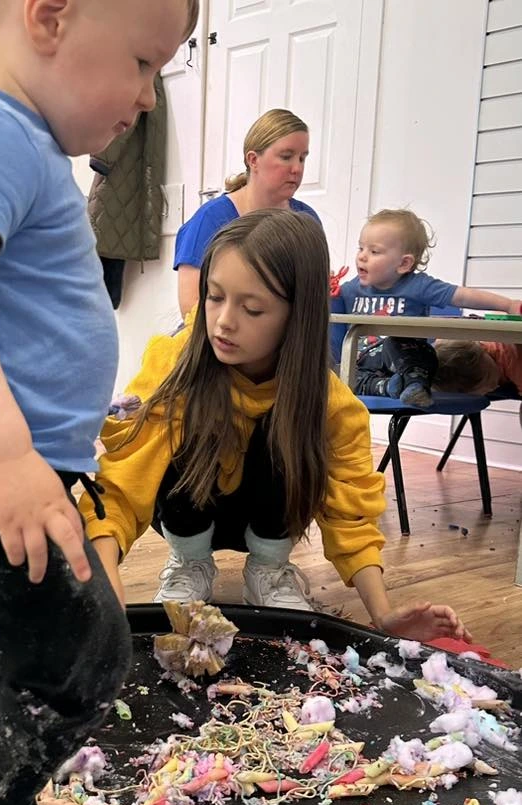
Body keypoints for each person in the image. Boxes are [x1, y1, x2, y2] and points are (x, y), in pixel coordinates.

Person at [0, 1, 199, 805]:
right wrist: (7, 457)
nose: (150, 96)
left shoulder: (23, 141)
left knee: (16, 656)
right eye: (142, 63)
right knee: (86, 653)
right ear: (50, 18)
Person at [81, 209, 471, 645]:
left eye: (252, 308)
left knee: (289, 428)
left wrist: (383, 614)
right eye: (214, 297)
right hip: (190, 510)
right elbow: (122, 485)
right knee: (188, 420)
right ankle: (189, 562)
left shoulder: (330, 403)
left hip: (269, 519)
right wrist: (103, 584)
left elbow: (351, 511)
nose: (224, 321)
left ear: (296, 317)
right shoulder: (174, 366)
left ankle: (268, 568)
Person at [336, 209, 522, 407]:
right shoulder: (350, 289)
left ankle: (413, 385)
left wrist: (507, 305)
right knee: (342, 375)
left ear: (404, 263)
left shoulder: (418, 286)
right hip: (365, 361)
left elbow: (462, 296)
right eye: (360, 248)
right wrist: (326, 289)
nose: (362, 257)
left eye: (374, 251)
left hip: (407, 360)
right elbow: (318, 306)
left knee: (400, 343)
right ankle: (390, 387)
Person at [174, 108, 321, 319]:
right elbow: (191, 309)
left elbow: (315, 300)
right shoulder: (211, 219)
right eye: (286, 157)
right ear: (253, 160)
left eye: (302, 158)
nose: (297, 168)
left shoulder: (308, 220)